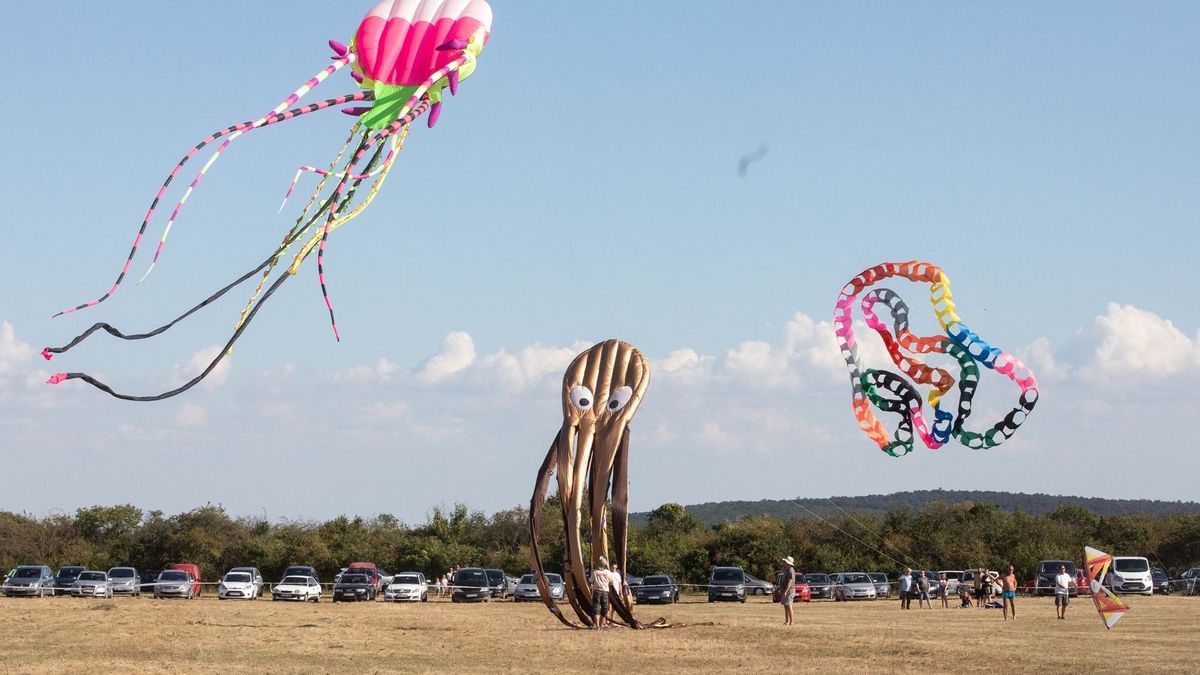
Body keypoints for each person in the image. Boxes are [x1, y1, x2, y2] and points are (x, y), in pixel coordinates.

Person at [589, 556, 612, 629]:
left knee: (596, 608)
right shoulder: (608, 573)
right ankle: (601, 625)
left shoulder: (595, 572)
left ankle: (598, 626)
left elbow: (590, 582)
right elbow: (611, 582)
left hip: (596, 591)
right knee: (604, 609)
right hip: (605, 591)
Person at [779, 556, 797, 625]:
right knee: (785, 606)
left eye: (785, 562)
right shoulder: (786, 570)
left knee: (789, 605)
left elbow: (790, 581)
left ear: (788, 563)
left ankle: (791, 622)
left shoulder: (791, 570)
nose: (784, 563)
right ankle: (786, 621)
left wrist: (786, 591)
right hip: (784, 590)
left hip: (789, 591)